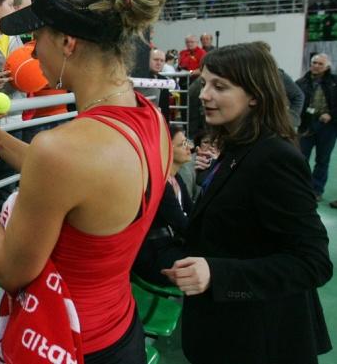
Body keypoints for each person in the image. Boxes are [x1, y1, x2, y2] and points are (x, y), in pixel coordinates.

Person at [0, 0, 171, 362]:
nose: (33, 51)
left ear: (68, 43)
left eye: (37, 38)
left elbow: (9, 269)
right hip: (121, 334)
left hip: (67, 344)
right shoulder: (150, 119)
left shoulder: (62, 149)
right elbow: (75, 187)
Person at [162, 42, 332, 364]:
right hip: (229, 329)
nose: (203, 94)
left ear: (254, 95)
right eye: (205, 83)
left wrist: (218, 274)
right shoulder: (238, 145)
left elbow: (313, 263)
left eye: (219, 86)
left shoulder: (274, 157)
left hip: (258, 338)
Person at [132, 125, 193, 286]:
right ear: (167, 151)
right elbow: (181, 224)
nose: (189, 147)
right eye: (182, 144)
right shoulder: (160, 183)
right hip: (153, 255)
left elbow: (192, 212)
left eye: (187, 142)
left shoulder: (176, 178)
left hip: (167, 245)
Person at [296, 52, 337, 202]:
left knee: (322, 159)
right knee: (301, 158)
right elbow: (295, 102)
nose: (316, 66)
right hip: (306, 124)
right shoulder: (301, 82)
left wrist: (331, 114)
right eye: (314, 62)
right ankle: (301, 187)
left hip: (328, 127)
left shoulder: (334, 82)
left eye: (320, 64)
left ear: (327, 67)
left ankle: (316, 190)